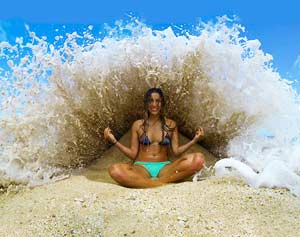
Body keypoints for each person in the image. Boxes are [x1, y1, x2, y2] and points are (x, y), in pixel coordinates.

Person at [104, 87, 205, 188]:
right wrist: (114, 141)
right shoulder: (138, 125)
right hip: (141, 167)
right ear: (146, 103)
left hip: (164, 167)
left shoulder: (171, 124)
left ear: (162, 103)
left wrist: (194, 140)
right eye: (151, 101)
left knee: (198, 160)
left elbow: (176, 151)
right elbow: (133, 154)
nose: (154, 104)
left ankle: (151, 183)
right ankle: (161, 183)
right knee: (115, 170)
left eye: (158, 101)